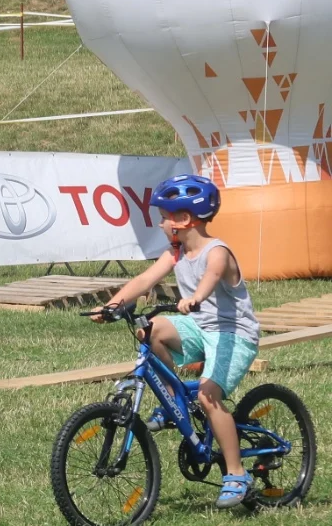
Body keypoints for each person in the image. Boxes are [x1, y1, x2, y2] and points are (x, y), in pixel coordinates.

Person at [90, 173, 260, 509]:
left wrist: (195, 297)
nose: (162, 224)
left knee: (210, 397)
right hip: (200, 326)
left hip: (233, 333)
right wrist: (113, 305)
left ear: (184, 219)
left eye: (165, 218)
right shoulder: (176, 252)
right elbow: (144, 279)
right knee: (148, 329)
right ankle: (174, 404)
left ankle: (237, 474)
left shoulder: (217, 252)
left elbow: (211, 276)